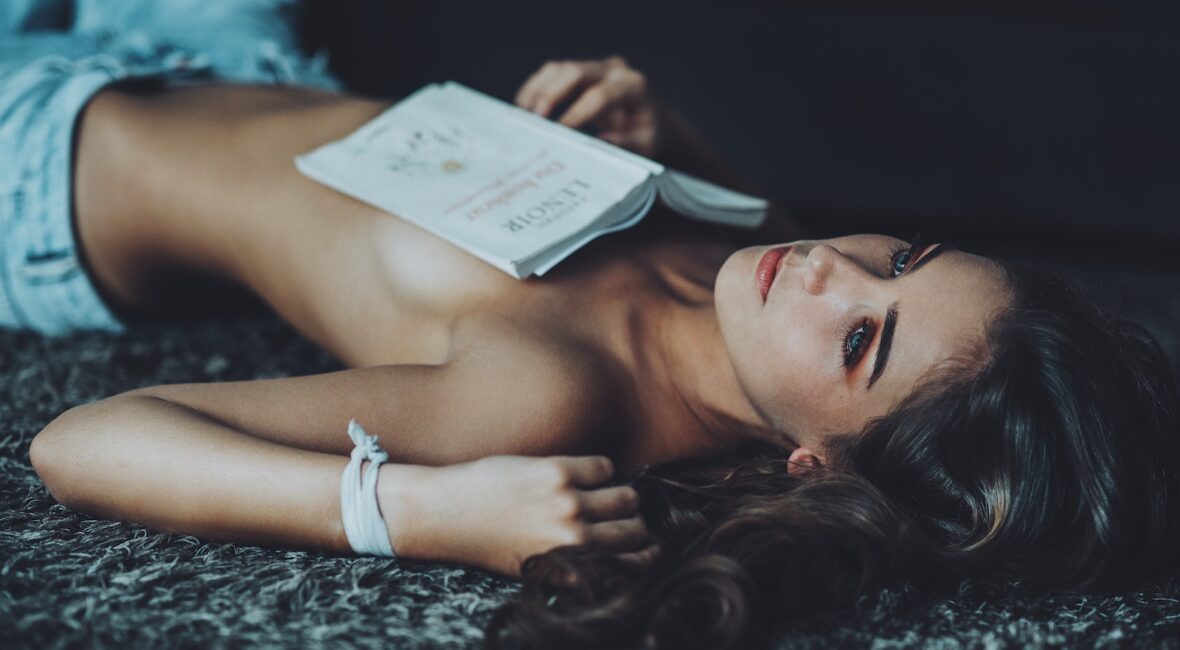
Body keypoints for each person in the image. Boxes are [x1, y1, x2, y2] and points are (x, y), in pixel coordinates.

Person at [8, 4, 1180, 649]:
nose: (832, 267)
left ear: (815, 463)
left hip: (49, 160)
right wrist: (652, 127)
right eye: (907, 257)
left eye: (860, 341)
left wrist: (423, 510)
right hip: (235, 56)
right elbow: (792, 247)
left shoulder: (551, 393)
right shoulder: (762, 279)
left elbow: (83, 442)